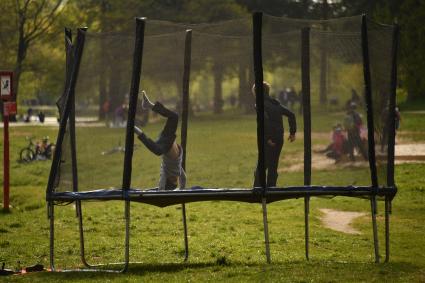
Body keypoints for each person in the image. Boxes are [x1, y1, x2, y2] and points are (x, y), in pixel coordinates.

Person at [134, 91, 186, 190]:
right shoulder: (178, 171)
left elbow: (161, 185)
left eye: (174, 180)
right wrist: (182, 190)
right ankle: (149, 105)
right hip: (168, 138)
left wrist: (161, 190)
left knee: (157, 151)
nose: (175, 178)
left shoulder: (166, 172)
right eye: (176, 180)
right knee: (174, 117)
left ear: (169, 179)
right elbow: (184, 178)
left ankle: (137, 131)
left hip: (165, 146)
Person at [253, 82, 296, 187]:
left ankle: (258, 192)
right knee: (273, 167)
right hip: (278, 139)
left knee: (260, 168)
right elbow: (291, 115)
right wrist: (292, 132)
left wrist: (267, 139)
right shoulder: (276, 104)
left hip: (268, 139)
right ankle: (271, 191)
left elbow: (264, 122)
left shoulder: (260, 104)